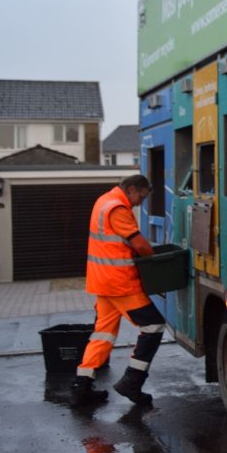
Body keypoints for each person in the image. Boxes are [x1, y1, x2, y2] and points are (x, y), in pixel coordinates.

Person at [69, 174, 166, 407]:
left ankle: (80, 387)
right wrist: (156, 261)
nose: (139, 203)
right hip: (120, 283)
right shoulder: (118, 208)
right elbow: (140, 244)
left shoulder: (104, 200)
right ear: (131, 189)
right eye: (140, 197)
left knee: (103, 334)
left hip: (103, 281)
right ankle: (132, 382)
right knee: (153, 326)